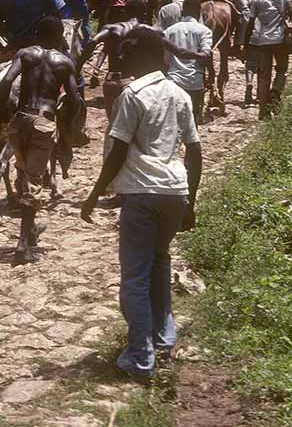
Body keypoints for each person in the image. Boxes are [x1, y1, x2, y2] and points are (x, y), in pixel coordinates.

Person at [80, 27, 202, 380]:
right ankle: (163, 338)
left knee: (135, 275)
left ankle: (140, 357)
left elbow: (118, 149)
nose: (124, 57)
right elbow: (194, 152)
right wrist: (190, 201)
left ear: (146, 54)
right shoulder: (180, 94)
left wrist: (94, 194)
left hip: (143, 194)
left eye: (130, 51)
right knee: (160, 264)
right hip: (174, 192)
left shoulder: (132, 95)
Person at [0, 16, 81, 264]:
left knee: (22, 172)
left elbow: (7, 81)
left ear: (37, 34)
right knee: (33, 182)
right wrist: (66, 123)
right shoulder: (64, 62)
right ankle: (23, 246)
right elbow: (74, 98)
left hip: (20, 119)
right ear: (58, 36)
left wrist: (2, 115)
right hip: (44, 121)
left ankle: (31, 230)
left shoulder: (25, 54)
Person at [243, 0, 292, 119]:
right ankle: (275, 92)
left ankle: (263, 111)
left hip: (262, 41)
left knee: (263, 76)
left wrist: (246, 42)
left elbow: (251, 21)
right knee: (282, 69)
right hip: (280, 39)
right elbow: (291, 11)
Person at [163, 0, 213, 123]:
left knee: (172, 121)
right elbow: (206, 55)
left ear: (183, 12)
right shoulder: (205, 31)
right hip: (194, 81)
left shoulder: (169, 31)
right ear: (199, 13)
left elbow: (165, 60)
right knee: (193, 119)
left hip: (173, 81)